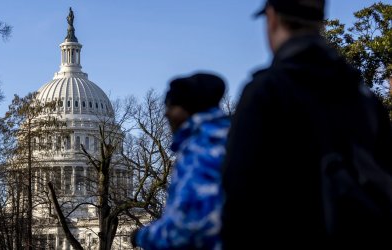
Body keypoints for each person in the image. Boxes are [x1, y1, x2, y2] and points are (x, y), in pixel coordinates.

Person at [221, 0, 392, 248]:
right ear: (321, 20)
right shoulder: (364, 97)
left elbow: (238, 199)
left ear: (272, 17)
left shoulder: (266, 92)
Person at [131, 72, 230, 250]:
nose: (166, 114)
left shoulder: (201, 148)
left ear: (186, 109)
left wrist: (141, 236)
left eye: (170, 106)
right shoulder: (235, 136)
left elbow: (189, 226)